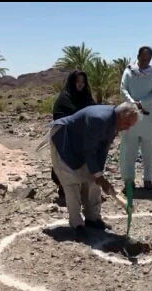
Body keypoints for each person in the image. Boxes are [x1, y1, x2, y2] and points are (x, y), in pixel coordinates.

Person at [47, 102, 140, 239]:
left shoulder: (115, 123)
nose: (127, 128)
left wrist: (99, 175)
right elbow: (89, 151)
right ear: (120, 115)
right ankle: (76, 224)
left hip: (83, 145)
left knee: (93, 181)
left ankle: (92, 218)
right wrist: (100, 177)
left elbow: (102, 150)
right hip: (65, 140)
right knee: (71, 181)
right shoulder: (99, 119)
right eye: (127, 124)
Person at [119, 46, 152, 192]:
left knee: (149, 150)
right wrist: (133, 102)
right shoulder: (129, 71)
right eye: (142, 59)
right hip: (131, 116)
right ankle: (129, 180)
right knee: (129, 149)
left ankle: (148, 179)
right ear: (138, 56)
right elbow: (123, 89)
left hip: (148, 118)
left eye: (147, 59)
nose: (144, 62)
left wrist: (142, 103)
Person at [50, 70, 95, 200]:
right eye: (77, 82)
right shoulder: (64, 99)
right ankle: (63, 187)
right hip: (66, 138)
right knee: (64, 162)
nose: (80, 85)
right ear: (72, 82)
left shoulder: (86, 97)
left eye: (82, 82)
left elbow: (93, 112)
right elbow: (59, 117)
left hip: (83, 137)